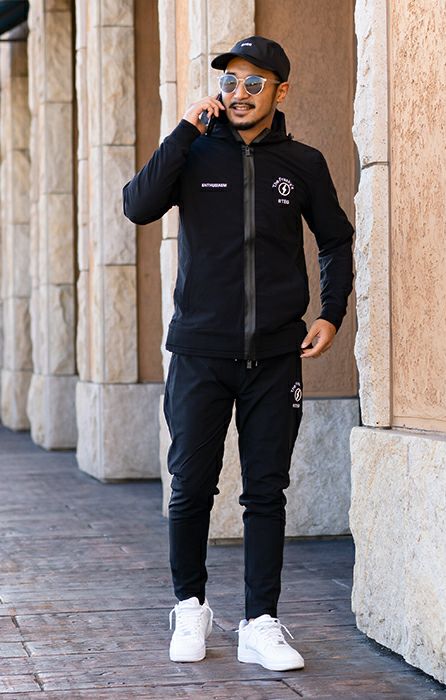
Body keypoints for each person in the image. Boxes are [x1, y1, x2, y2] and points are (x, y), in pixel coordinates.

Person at [122, 35, 354, 672]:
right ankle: (190, 606)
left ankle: (260, 622)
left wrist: (331, 313)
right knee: (191, 486)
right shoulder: (193, 153)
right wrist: (182, 131)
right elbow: (138, 206)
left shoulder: (302, 163)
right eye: (230, 81)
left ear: (281, 91)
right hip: (199, 352)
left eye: (255, 82)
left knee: (266, 493)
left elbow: (336, 240)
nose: (240, 93)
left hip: (275, 357)